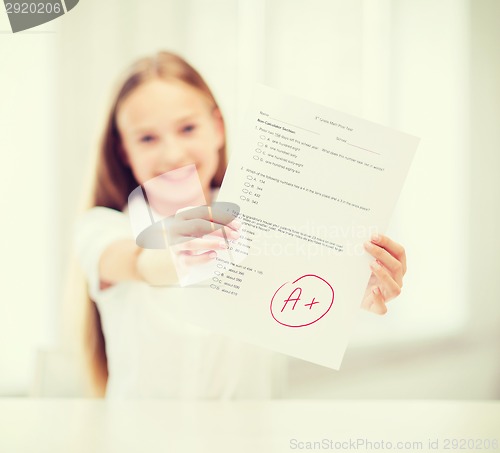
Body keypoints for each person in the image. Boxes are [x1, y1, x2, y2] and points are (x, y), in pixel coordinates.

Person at [74, 51, 407, 399]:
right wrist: (185, 255)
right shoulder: (102, 228)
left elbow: (306, 297)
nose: (172, 153)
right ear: (123, 150)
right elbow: (137, 263)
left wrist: (356, 284)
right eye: (147, 138)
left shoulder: (269, 216)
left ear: (217, 128)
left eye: (187, 128)